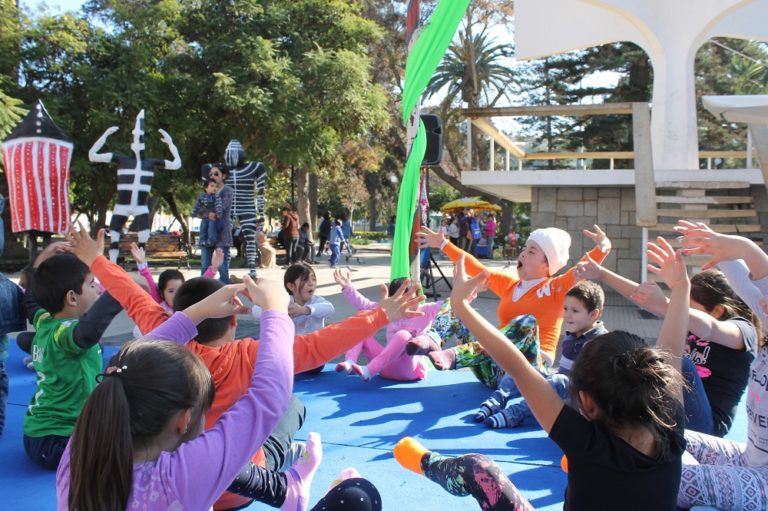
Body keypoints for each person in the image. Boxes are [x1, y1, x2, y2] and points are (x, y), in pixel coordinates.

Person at [71, 226, 420, 510]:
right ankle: (289, 471)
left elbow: (132, 296)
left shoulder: (85, 464)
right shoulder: (246, 356)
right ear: (233, 322)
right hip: (239, 491)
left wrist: (96, 260)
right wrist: (379, 314)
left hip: (187, 484)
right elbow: (313, 350)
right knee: (292, 406)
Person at [393, 245, 690, 510]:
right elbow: (673, 354)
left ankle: (426, 463)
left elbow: (517, 365)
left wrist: (460, 306)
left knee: (476, 468)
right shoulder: (671, 427)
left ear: (586, 403)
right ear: (656, 382)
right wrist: (680, 289)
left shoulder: (584, 441)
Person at [575, 241, 759, 437]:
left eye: (687, 306)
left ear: (717, 310)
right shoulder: (687, 318)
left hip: (705, 428)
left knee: (675, 363)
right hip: (671, 411)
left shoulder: (743, 331)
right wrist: (602, 273)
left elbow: (709, 328)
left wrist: (666, 304)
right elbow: (642, 296)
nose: (680, 309)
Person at [417, 225, 610, 396]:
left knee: (527, 321)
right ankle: (433, 338)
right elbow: (476, 267)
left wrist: (602, 247)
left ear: (547, 265)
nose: (523, 253)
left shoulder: (555, 288)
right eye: (524, 248)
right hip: (492, 370)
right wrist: (443, 244)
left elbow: (581, 268)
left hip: (529, 372)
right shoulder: (509, 285)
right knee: (458, 302)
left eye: (532, 251)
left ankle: (456, 355)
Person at [674, 221, 768, 510]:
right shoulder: (765, 315)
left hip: (763, 483)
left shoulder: (746, 329)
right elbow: (746, 281)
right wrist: (719, 244)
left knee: (664, 474)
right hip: (748, 459)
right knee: (659, 439)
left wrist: (745, 247)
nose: (762, 300)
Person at [18, 239, 123, 469]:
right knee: (125, 450)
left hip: (39, 435)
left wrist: (46, 255)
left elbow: (31, 298)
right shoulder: (64, 333)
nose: (97, 288)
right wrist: (118, 290)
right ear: (72, 297)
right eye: (92, 284)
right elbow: (87, 331)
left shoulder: (45, 320)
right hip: (56, 441)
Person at [483, 280, 607, 429]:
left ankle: (516, 413)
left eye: (575, 311)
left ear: (593, 314)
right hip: (562, 388)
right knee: (524, 366)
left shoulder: (599, 343)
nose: (567, 315)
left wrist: (550, 387)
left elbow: (587, 386)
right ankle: (498, 399)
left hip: (580, 402)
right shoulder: (572, 335)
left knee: (560, 381)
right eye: (566, 309)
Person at [333, 269, 441, 382]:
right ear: (393, 301)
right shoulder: (391, 311)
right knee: (359, 328)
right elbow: (364, 305)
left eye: (412, 299)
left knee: (403, 335)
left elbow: (450, 304)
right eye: (402, 301)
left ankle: (369, 370)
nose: (408, 305)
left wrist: (459, 289)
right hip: (385, 367)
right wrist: (348, 287)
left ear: (419, 296)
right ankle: (350, 363)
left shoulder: (427, 310)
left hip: (409, 369)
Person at [254, 262, 333, 375]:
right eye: (305, 280)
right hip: (289, 353)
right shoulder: (284, 301)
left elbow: (329, 309)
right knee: (259, 343)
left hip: (313, 358)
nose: (311, 283)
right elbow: (256, 310)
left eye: (313, 279)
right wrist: (278, 311)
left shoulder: (317, 301)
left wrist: (304, 310)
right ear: (291, 286)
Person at [201, 165, 234, 283]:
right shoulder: (206, 192)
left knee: (223, 268)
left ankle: (226, 297)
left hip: (222, 232)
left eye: (216, 174)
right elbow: (200, 209)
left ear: (223, 176)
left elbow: (222, 209)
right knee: (205, 265)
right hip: (207, 233)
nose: (212, 176)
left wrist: (209, 211)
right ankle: (202, 294)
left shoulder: (227, 191)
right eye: (210, 174)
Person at [192, 178, 223, 247]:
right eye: (212, 186)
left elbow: (219, 205)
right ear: (206, 188)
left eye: (216, 186)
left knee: (211, 228)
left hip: (212, 217)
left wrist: (218, 213)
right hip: (204, 218)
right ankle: (202, 241)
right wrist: (193, 213)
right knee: (202, 228)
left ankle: (211, 241)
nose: (214, 188)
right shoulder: (202, 196)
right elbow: (197, 205)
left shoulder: (216, 196)